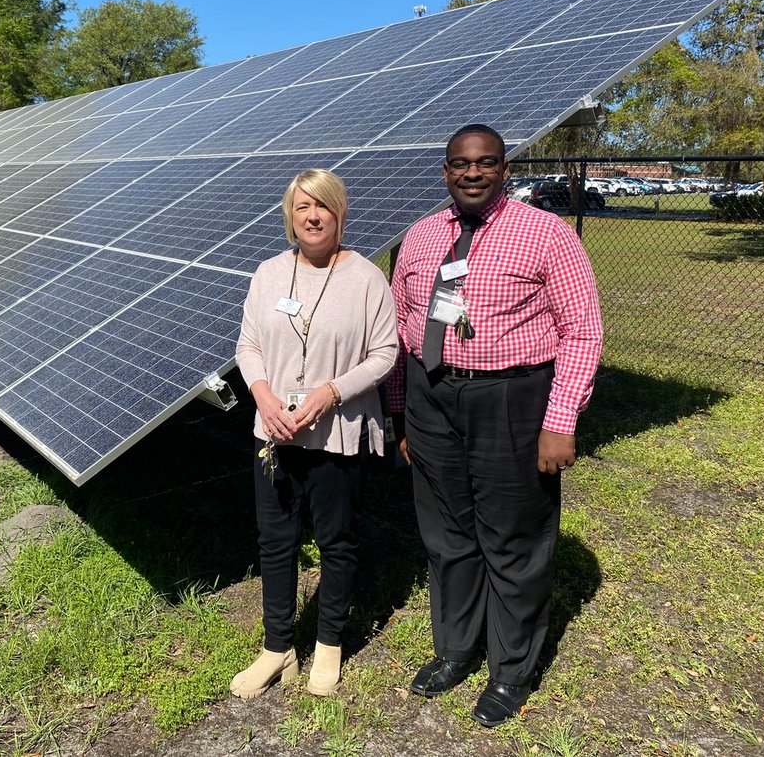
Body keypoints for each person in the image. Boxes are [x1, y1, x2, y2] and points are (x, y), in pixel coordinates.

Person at [387, 123, 602, 726]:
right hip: (432, 399)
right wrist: (404, 411)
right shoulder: (422, 237)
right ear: (446, 171)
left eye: (485, 163)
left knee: (512, 538)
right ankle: (456, 648)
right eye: (460, 164)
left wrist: (560, 420)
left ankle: (512, 669)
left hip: (510, 399)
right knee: (447, 535)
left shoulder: (547, 235)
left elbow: (582, 331)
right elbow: (405, 325)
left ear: (505, 169)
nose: (472, 173)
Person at [232, 168, 398, 698]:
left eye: (322, 205)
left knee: (336, 541)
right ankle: (277, 649)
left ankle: (328, 645)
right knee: (275, 543)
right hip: (275, 434)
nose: (312, 215)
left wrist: (331, 392)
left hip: (337, 434)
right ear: (290, 216)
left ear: (339, 212)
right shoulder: (267, 274)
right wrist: (262, 395)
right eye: (302, 207)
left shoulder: (367, 279)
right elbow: (248, 346)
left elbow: (386, 354)